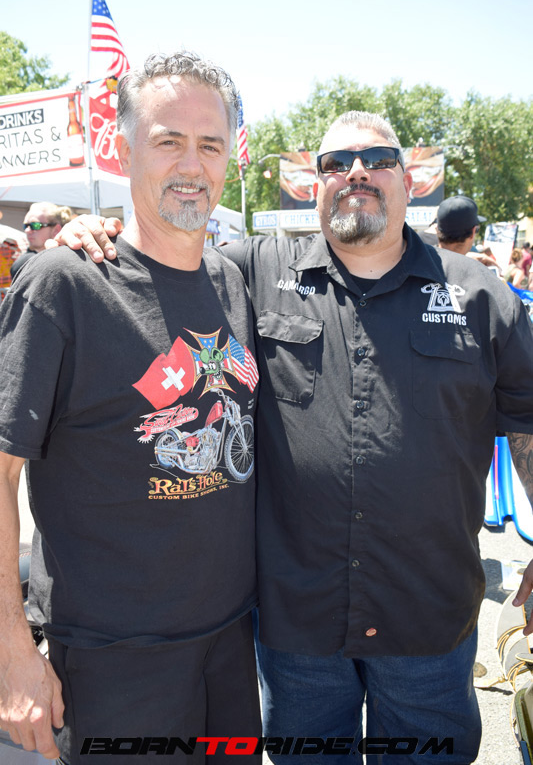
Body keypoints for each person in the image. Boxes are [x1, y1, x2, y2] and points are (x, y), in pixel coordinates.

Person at [54, 110, 533, 765]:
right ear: (315, 185)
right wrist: (96, 232)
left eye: (377, 160)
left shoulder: (479, 296)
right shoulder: (248, 272)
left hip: (428, 617)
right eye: (336, 163)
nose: (356, 173)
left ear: (408, 179)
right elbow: (159, 263)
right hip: (298, 627)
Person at [0, 52, 261, 765]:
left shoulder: (231, 280)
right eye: (167, 140)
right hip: (114, 663)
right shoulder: (65, 284)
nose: (191, 164)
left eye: (209, 144)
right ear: (121, 150)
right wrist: (12, 652)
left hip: (231, 646)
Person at [10, 202, 73, 279]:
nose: (27, 230)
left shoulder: (71, 260)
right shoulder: (23, 263)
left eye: (35, 225)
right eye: (26, 225)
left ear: (56, 230)